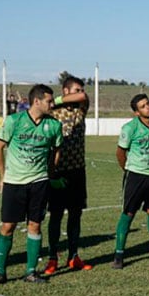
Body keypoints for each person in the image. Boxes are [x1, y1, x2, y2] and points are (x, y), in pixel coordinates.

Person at [0, 84, 63, 285]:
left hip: (39, 182)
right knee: (8, 226)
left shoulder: (54, 125)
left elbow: (56, 151)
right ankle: (0, 271)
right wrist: (3, 175)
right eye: (49, 101)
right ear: (36, 101)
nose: (53, 104)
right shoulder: (14, 121)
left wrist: (50, 173)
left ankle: (31, 271)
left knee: (35, 225)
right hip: (14, 182)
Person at [112, 94, 149, 269]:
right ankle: (119, 255)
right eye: (144, 106)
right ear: (136, 112)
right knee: (128, 214)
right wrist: (129, 170)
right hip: (135, 176)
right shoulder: (130, 128)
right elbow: (120, 153)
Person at [43, 76, 92, 275]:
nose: (80, 92)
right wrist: (51, 174)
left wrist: (63, 99)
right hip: (57, 170)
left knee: (76, 214)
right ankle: (53, 257)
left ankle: (73, 256)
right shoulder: (52, 112)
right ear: (65, 90)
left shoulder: (81, 109)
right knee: (55, 215)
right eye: (75, 89)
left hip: (77, 170)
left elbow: (84, 96)